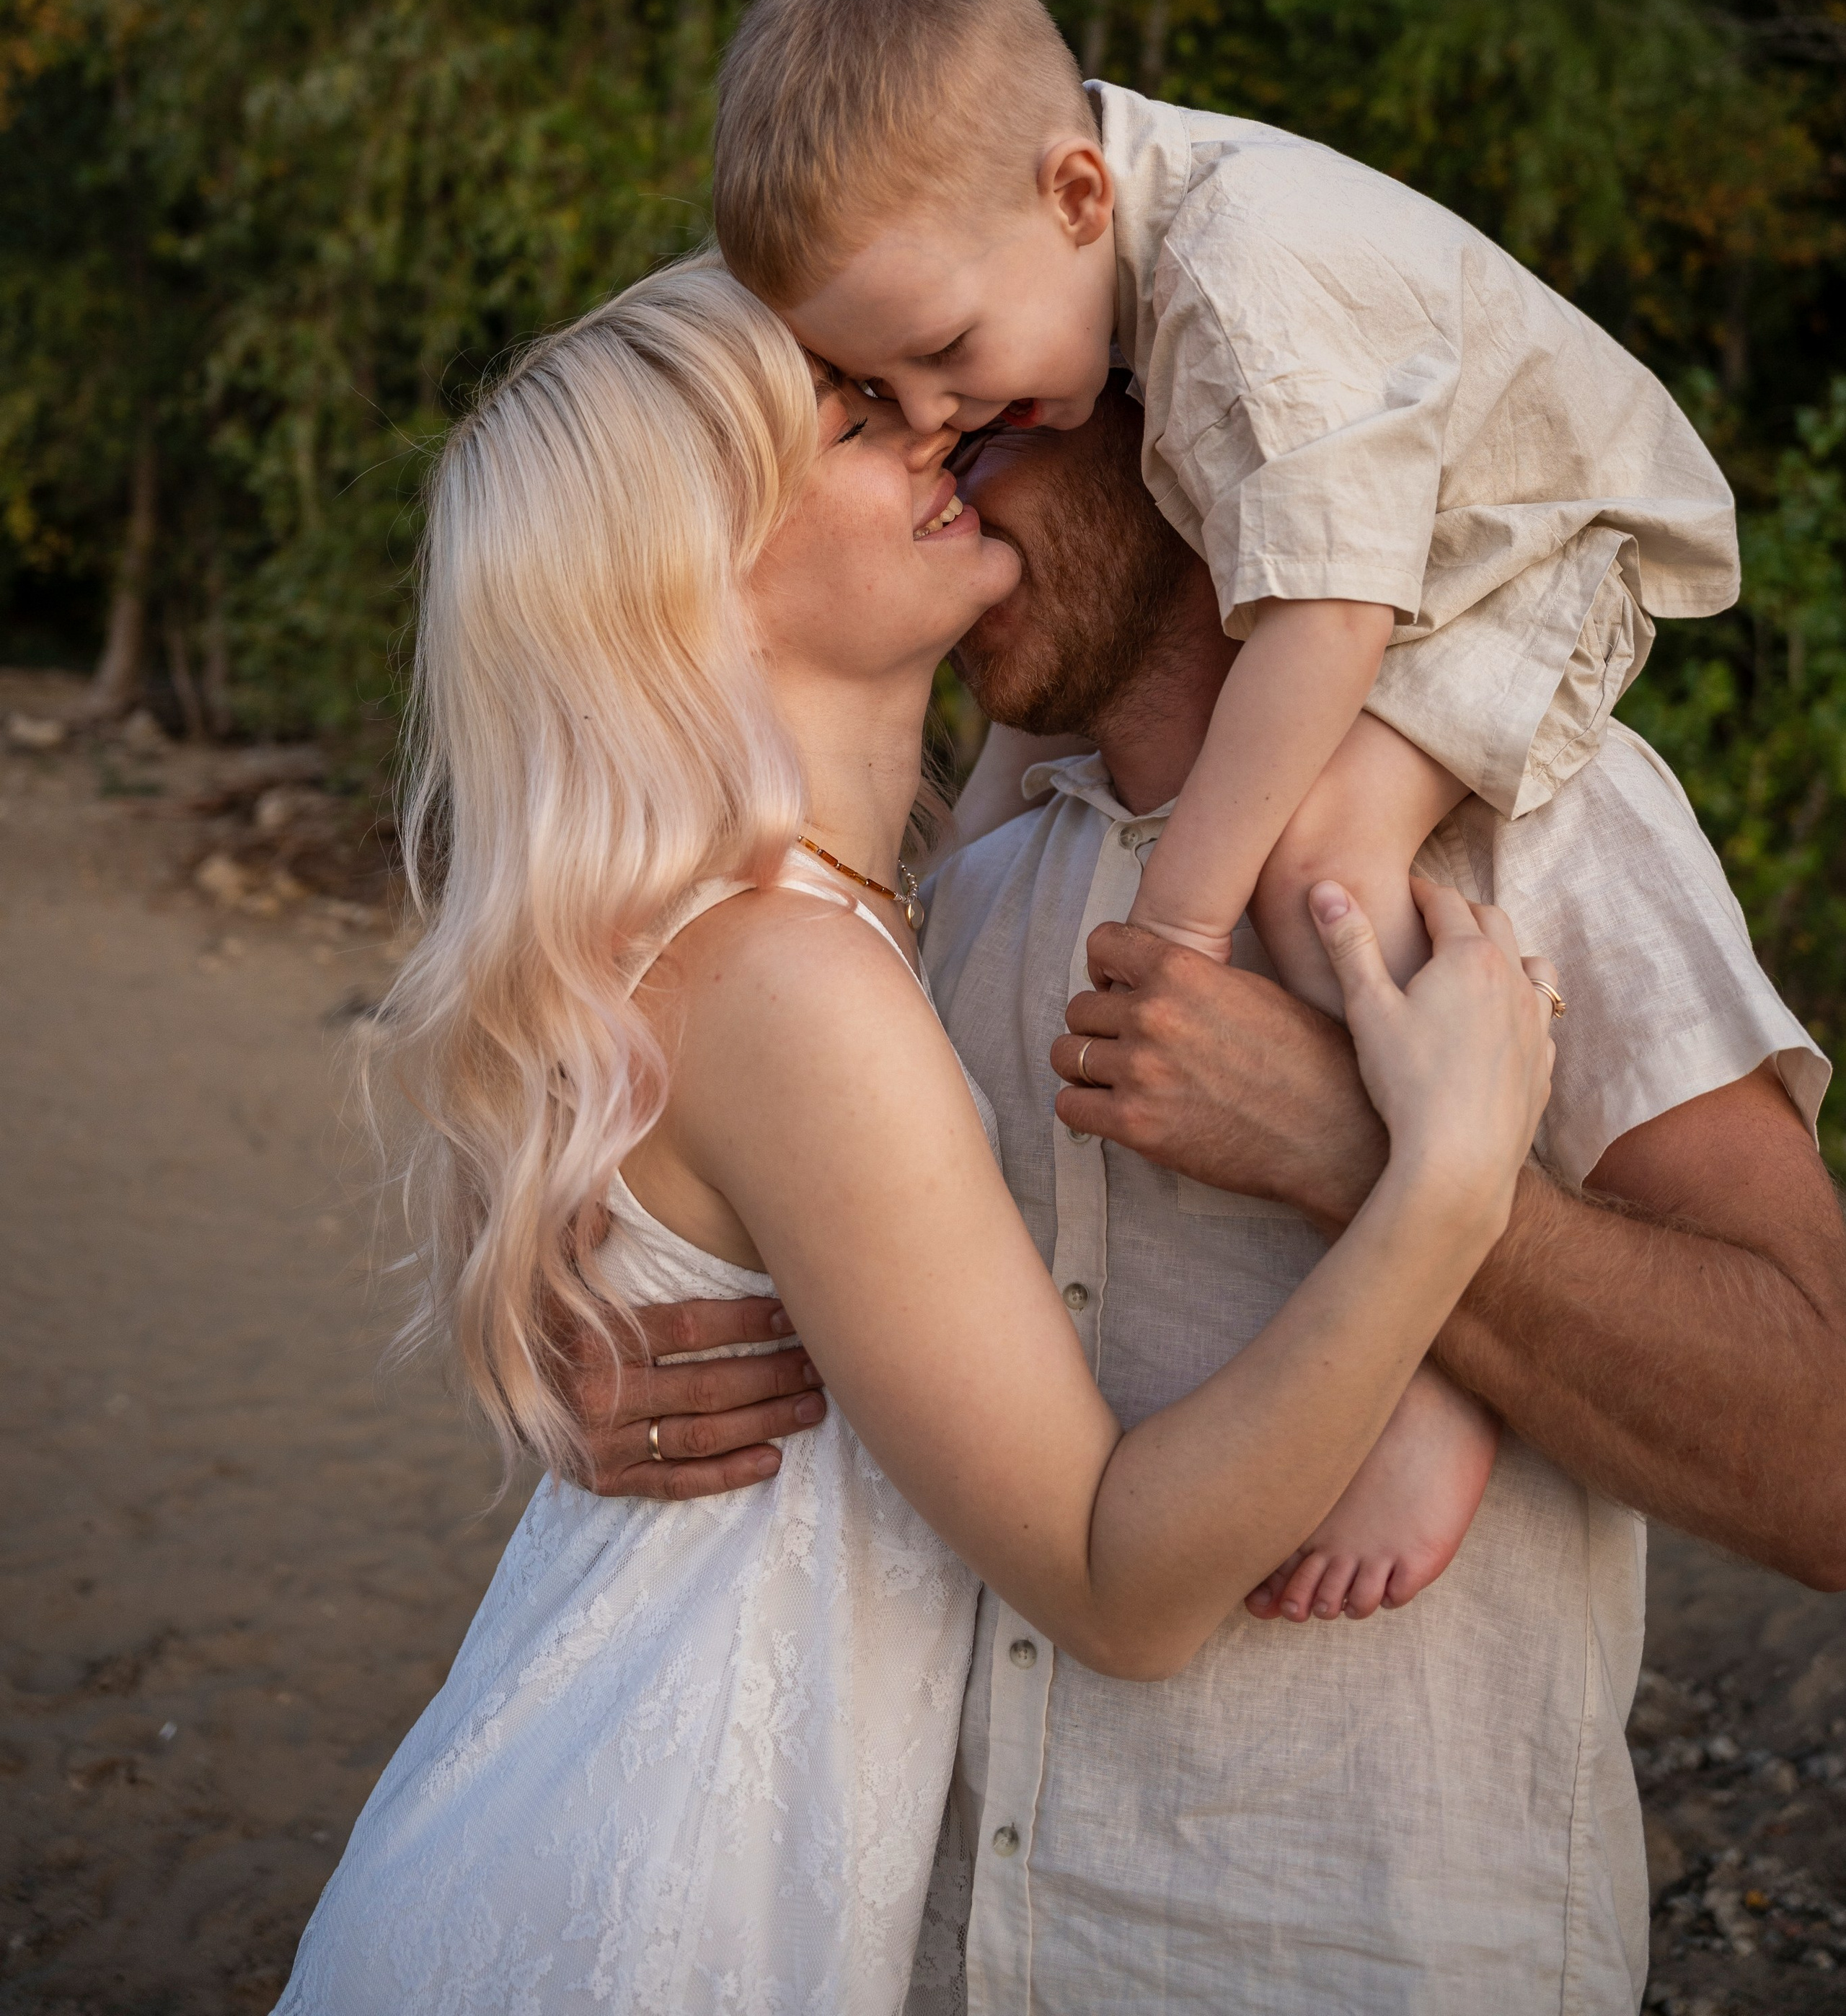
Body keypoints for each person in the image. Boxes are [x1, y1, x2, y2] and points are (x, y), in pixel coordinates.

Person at [273, 264, 1556, 2016]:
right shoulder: (791, 980)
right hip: (645, 1897)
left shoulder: (867, 907)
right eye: (858, 419)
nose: (944, 421)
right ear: (688, 578)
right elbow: (1117, 1584)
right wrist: (1445, 1193)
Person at [585, 382, 1843, 2015]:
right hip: (938, 1952)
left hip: (1358, 1961)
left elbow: (1820, 1453)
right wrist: (621, 1383)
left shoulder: (1539, 819)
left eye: (986, 438)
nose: (946, 493)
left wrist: (1345, 1148)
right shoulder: (947, 913)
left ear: (1177, 430)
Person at [707, 0, 1739, 1618]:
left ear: (1074, 190)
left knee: (1321, 869)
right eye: (883, 406)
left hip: (1519, 544)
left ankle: (1435, 1353)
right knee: (1290, 849)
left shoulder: (1243, 268)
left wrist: (1175, 926)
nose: (936, 427)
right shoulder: (1077, 269)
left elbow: (1328, 610)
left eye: (959, 384)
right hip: (1402, 553)